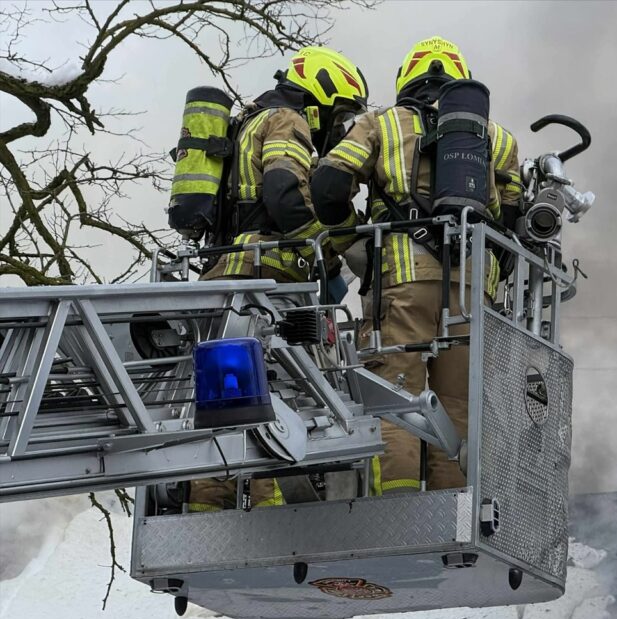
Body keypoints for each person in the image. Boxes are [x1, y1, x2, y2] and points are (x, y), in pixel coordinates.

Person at [310, 35, 523, 495]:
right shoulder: (500, 140)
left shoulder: (380, 123)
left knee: (398, 397)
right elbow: (512, 223)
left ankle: (399, 509)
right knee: (460, 408)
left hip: (401, 283)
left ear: (407, 77)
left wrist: (353, 239)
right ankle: (453, 511)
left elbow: (328, 185)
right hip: (473, 293)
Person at [188, 46, 368, 513]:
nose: (336, 127)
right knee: (275, 403)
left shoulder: (245, 123)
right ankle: (268, 520)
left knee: (223, 412)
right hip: (265, 279)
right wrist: (326, 252)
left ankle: (209, 513)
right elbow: (284, 193)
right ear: (323, 94)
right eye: (340, 114)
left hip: (220, 276)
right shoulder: (287, 120)